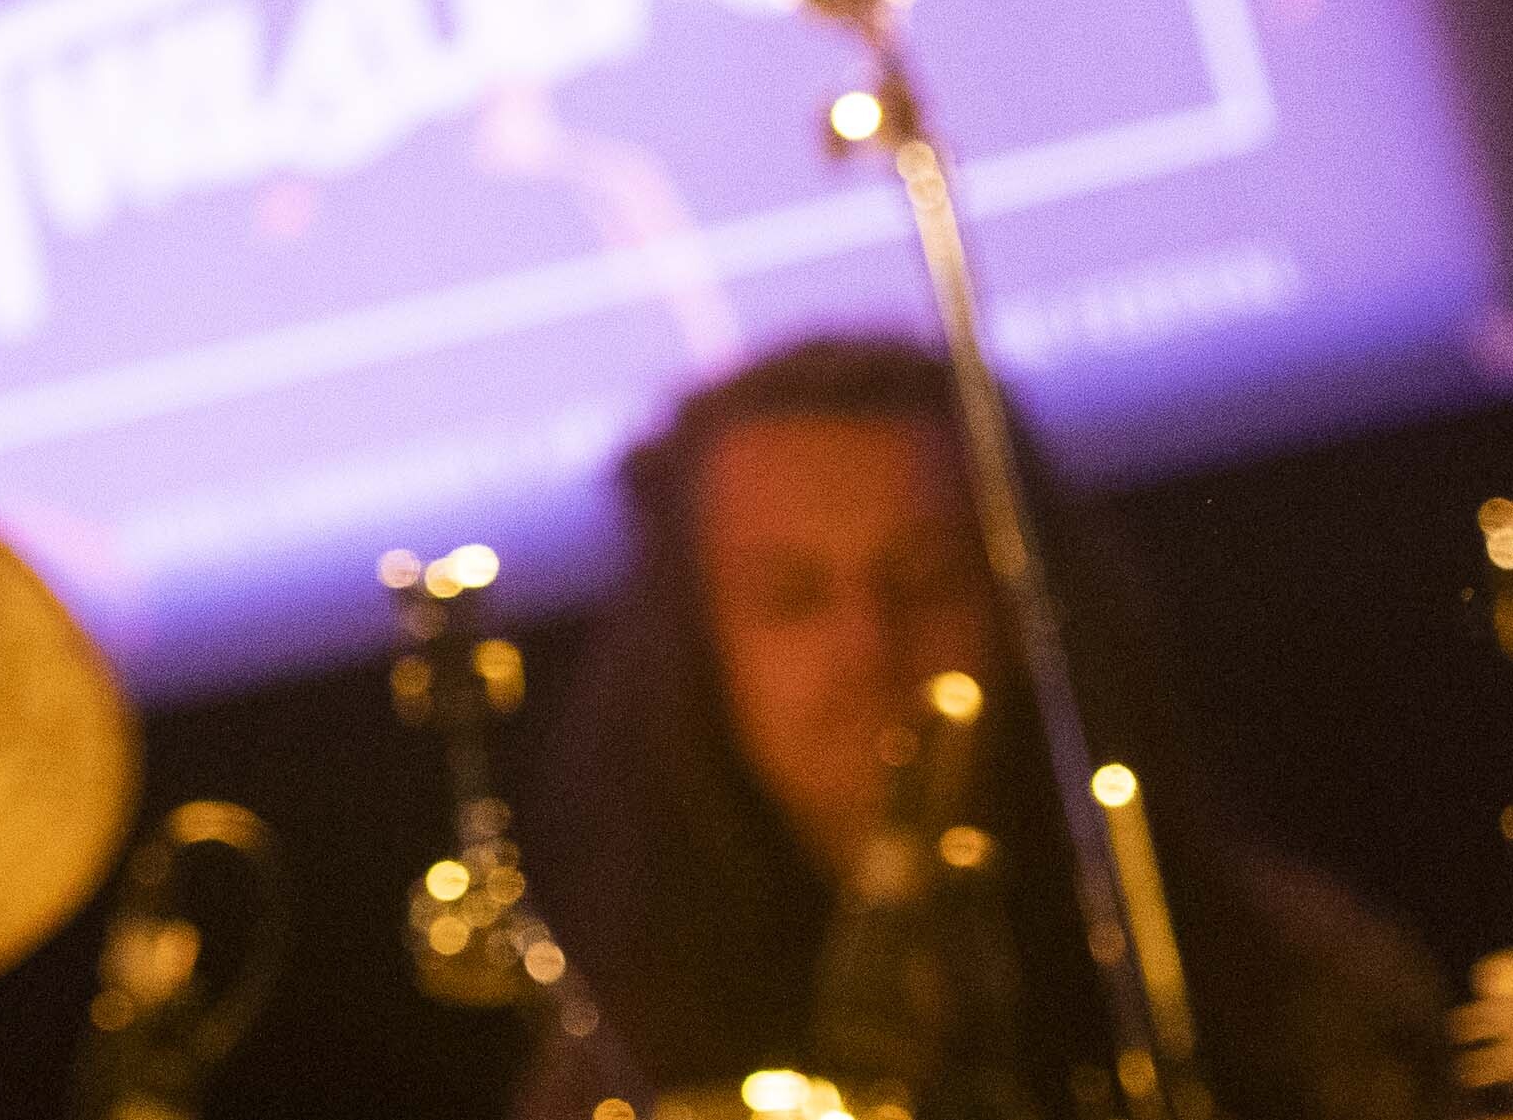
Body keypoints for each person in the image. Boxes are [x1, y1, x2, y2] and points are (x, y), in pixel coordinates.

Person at [510, 336, 1443, 1120]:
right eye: (792, 597)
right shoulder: (616, 1070)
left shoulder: (1292, 984)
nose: (870, 647)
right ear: (693, 656)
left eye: (925, 578)